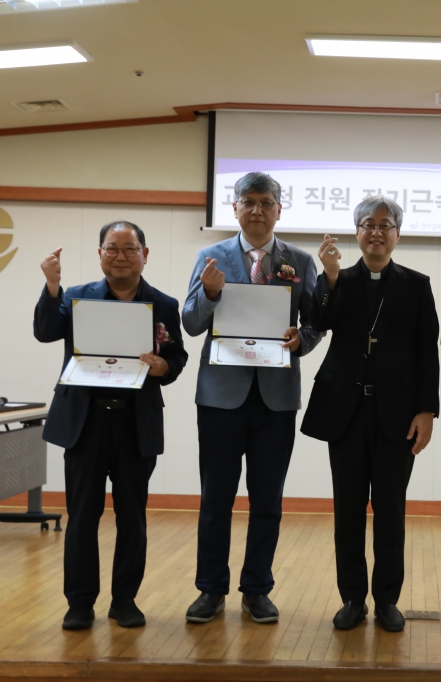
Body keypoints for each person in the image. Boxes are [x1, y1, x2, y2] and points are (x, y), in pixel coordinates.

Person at [34, 221, 188, 631]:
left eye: (129, 248)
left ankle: (125, 601)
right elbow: (45, 332)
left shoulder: (164, 304)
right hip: (84, 422)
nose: (121, 256)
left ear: (145, 254)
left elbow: (177, 357)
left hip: (135, 422)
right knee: (82, 515)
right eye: (112, 248)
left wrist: (163, 366)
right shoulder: (76, 296)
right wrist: (51, 286)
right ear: (99, 253)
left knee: (132, 516)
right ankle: (79, 603)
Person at [182, 172, 320, 624]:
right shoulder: (211, 256)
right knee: (215, 499)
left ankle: (257, 589)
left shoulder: (299, 260)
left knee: (267, 500)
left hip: (275, 398)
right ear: (235, 207)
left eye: (265, 202)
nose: (257, 210)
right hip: (221, 396)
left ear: (279, 209)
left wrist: (303, 338)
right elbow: (190, 322)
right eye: (248, 202)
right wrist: (210, 293)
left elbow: (317, 322)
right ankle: (210, 589)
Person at [300, 196, 440, 633]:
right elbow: (319, 319)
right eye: (367, 224)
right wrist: (331, 276)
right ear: (356, 233)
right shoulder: (339, 278)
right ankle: (352, 599)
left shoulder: (416, 284)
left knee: (391, 512)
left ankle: (387, 601)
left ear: (397, 234)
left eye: (385, 225)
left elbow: (426, 353)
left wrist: (426, 411)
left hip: (397, 417)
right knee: (347, 510)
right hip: (346, 412)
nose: (376, 232)